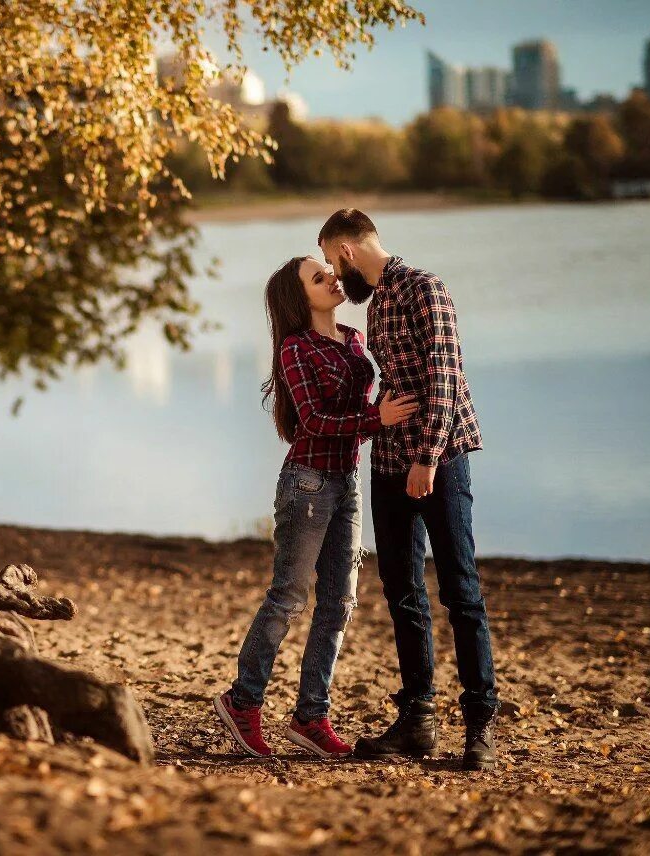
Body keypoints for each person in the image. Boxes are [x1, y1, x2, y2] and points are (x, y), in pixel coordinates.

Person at [213, 255, 418, 759]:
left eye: (328, 272)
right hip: (306, 482)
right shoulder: (294, 349)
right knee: (287, 598)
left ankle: (310, 716)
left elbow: (361, 404)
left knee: (339, 603)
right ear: (298, 296)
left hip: (347, 480)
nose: (331, 279)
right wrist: (377, 419)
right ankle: (242, 700)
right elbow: (315, 421)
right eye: (318, 277)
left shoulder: (352, 339)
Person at [317, 208, 499, 772]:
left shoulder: (426, 290)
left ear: (346, 251)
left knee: (460, 591)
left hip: (437, 459)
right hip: (389, 464)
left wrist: (427, 457)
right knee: (402, 591)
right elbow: (397, 385)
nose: (332, 271)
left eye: (329, 260)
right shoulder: (376, 303)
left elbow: (447, 378)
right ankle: (418, 719)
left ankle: (479, 726)